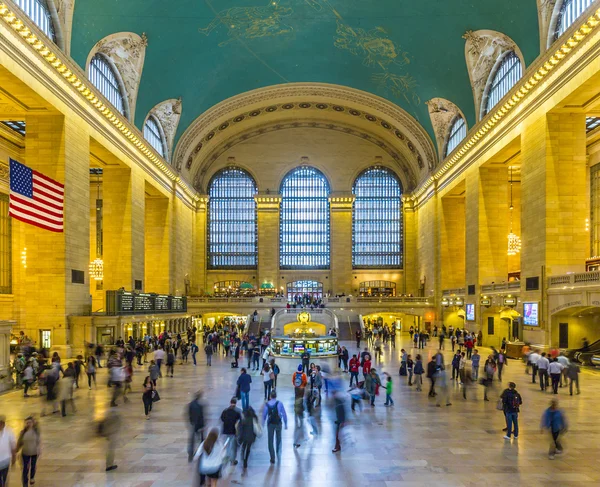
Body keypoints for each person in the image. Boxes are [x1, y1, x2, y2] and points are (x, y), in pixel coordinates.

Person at [263, 391, 288, 464]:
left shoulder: (267, 404)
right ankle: (278, 453)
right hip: (278, 423)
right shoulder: (279, 403)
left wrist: (262, 424)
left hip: (270, 424)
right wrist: (286, 423)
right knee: (279, 438)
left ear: (270, 396)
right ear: (276, 396)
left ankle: (272, 457)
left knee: (270, 440)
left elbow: (264, 415)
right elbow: (284, 414)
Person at [17, 416, 40, 487]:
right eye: (27, 423)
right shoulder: (23, 433)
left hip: (34, 452)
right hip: (25, 453)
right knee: (25, 468)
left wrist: (39, 450)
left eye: (30, 422)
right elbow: (19, 442)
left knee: (33, 466)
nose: (28, 424)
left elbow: (38, 442)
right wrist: (16, 450)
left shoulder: (36, 432)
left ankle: (32, 477)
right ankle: (25, 483)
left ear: (33, 423)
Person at [220, 397, 242, 466]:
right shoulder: (237, 412)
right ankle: (232, 460)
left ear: (230, 403)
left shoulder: (225, 411)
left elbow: (222, 418)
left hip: (225, 430)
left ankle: (225, 459)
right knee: (232, 446)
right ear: (235, 403)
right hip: (232, 431)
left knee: (226, 445)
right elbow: (240, 421)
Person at [188, 391, 206, 462]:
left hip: (193, 424)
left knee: (192, 440)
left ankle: (190, 454)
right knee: (201, 440)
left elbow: (189, 414)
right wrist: (203, 426)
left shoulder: (191, 404)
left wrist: (191, 421)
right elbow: (201, 416)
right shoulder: (200, 405)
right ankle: (202, 452)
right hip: (199, 425)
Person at [0, 415, 16, 486]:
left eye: (1, 423)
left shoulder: (9, 432)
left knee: (4, 477)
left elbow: (13, 446)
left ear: (4, 423)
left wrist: (14, 458)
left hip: (5, 460)